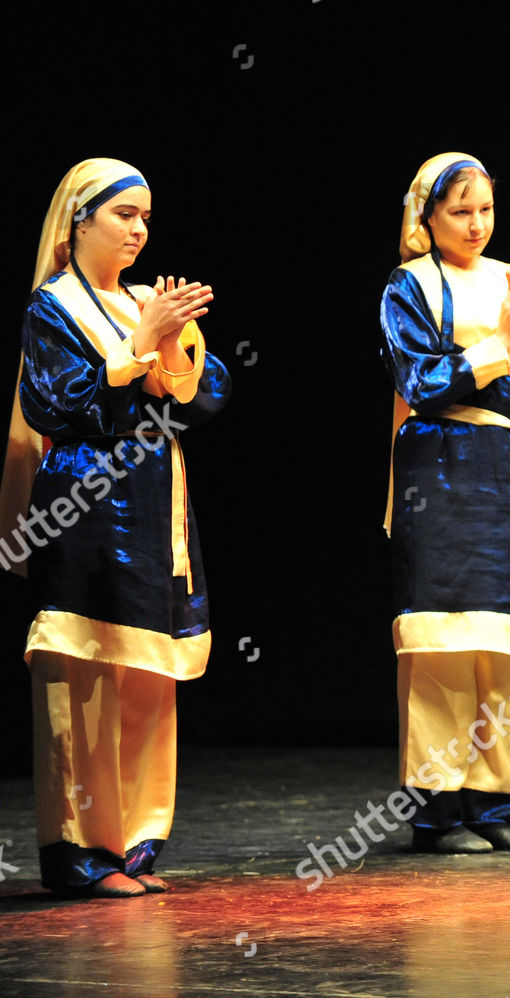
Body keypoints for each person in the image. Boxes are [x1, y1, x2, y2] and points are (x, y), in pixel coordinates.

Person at [0, 158, 229, 897]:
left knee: (146, 675)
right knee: (88, 675)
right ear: (79, 220)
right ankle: (82, 850)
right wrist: (136, 350)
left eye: (145, 217)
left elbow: (206, 395)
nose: (139, 229)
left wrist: (168, 346)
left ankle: (136, 843)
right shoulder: (52, 306)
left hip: (155, 504)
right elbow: (56, 404)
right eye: (124, 214)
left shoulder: (142, 300)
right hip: (85, 505)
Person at [381, 152, 510, 853]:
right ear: (427, 216)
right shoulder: (410, 285)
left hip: (506, 471)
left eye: (485, 209)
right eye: (460, 210)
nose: (475, 223)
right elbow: (421, 377)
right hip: (441, 468)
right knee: (444, 642)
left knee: (501, 644)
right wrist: (497, 341)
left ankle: (494, 800)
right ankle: (437, 807)